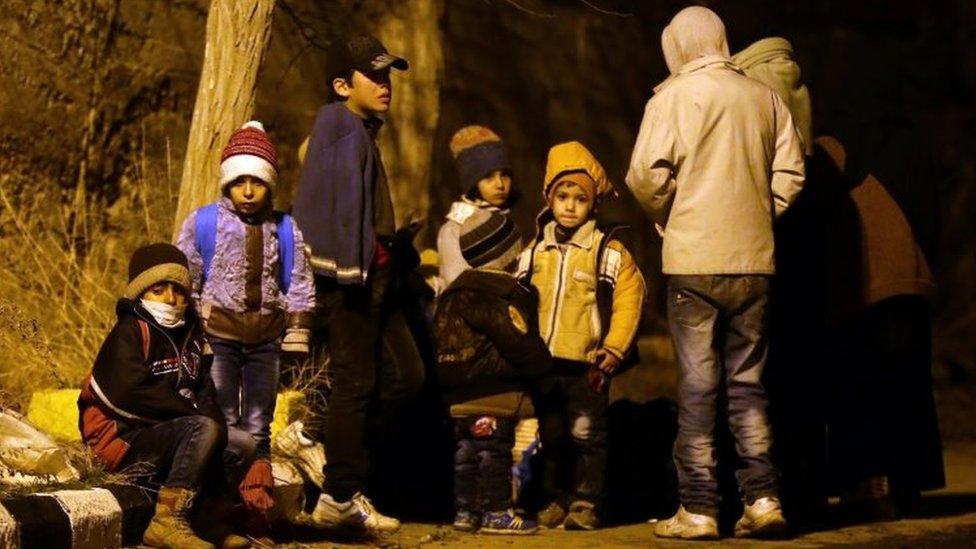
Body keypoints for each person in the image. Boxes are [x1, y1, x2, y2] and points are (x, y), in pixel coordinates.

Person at [625, 7, 805, 539]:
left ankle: (699, 509)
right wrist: (757, 213)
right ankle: (764, 499)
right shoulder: (764, 96)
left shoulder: (671, 99)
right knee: (749, 385)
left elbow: (643, 175)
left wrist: (668, 215)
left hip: (694, 262)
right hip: (753, 261)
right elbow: (791, 172)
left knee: (699, 388)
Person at [291, 33, 424, 533]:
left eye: (389, 74)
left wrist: (393, 239)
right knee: (357, 382)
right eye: (376, 75)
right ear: (343, 85)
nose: (386, 84)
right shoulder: (341, 128)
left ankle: (317, 435)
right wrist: (351, 271)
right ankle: (339, 496)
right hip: (353, 281)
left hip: (377, 273)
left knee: (405, 377)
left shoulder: (358, 128)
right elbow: (335, 213)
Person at [176, 120, 316, 545]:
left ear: (270, 185)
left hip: (265, 342)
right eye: (241, 182)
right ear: (228, 184)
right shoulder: (203, 224)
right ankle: (216, 510)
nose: (250, 191)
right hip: (216, 335)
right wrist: (189, 331)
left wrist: (298, 330)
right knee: (224, 423)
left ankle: (255, 512)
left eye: (258, 181)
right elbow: (188, 277)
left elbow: (300, 282)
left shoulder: (286, 229)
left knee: (259, 427)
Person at [78, 243, 254, 549]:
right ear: (141, 292)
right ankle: (166, 521)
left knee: (242, 443)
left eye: (179, 290)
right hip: (124, 441)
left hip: (174, 434)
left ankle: (206, 519)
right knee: (203, 427)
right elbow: (128, 391)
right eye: (159, 289)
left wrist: (215, 432)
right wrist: (195, 417)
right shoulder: (130, 331)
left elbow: (205, 393)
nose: (171, 299)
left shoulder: (193, 336)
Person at [517, 141, 646, 531]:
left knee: (587, 434)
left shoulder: (607, 251)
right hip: (545, 362)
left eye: (580, 198)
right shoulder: (535, 250)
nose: (570, 206)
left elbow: (629, 298)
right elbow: (518, 301)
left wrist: (614, 347)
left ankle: (587, 501)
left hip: (588, 362)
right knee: (552, 434)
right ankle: (555, 498)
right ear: (549, 199)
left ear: (593, 204)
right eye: (562, 196)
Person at [434, 209, 553, 535]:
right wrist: (544, 372)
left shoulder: (451, 295)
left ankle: (465, 511)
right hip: (495, 394)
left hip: (457, 397)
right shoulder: (502, 294)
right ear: (511, 255)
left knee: (465, 454)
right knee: (493, 454)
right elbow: (517, 340)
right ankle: (497, 512)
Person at [437, 125, 518, 289]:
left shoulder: (507, 225)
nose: (500, 184)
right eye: (488, 177)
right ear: (472, 182)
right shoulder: (454, 230)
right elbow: (459, 285)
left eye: (505, 175)